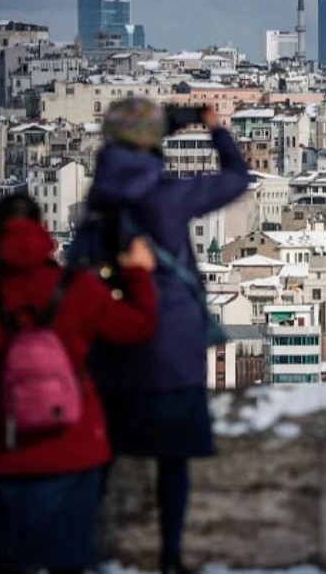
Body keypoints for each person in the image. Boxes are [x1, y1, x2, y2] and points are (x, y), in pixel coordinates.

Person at [0, 193, 159, 574]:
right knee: (68, 562)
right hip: (73, 451)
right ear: (43, 231)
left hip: (1, 456)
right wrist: (138, 273)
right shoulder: (78, 290)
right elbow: (138, 326)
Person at [87, 97, 250, 574]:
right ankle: (171, 556)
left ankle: (84, 549)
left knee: (102, 457)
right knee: (173, 459)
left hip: (114, 343)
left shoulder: (100, 193)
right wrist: (213, 130)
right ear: (154, 139)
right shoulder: (166, 194)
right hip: (172, 346)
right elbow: (237, 178)